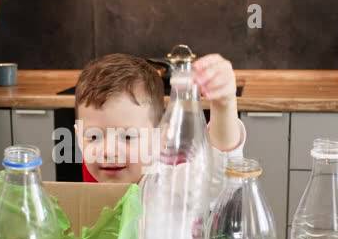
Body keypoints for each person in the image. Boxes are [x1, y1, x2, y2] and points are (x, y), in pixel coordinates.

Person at [74, 53, 245, 201]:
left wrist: (224, 105)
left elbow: (217, 179)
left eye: (127, 137)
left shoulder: (168, 185)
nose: (109, 152)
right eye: (94, 137)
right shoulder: (96, 177)